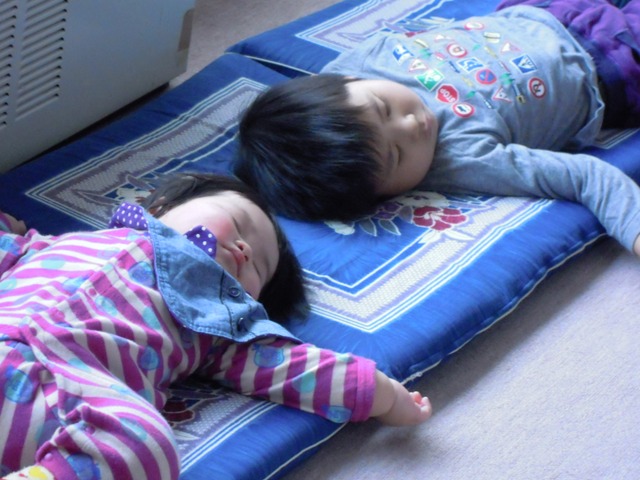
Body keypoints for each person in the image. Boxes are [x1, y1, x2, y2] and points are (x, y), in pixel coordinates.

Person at [0, 173, 432, 480]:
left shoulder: (216, 322)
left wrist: (384, 395)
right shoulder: (60, 242)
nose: (245, 249)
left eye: (259, 267)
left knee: (145, 444)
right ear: (162, 208)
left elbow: (291, 367)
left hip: (56, 397)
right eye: (239, 224)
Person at [235, 0, 640, 256]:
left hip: (539, 9)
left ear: (348, 80)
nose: (412, 123)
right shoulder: (462, 160)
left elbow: (311, 104)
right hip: (616, 62)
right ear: (387, 194)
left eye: (385, 109)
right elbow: (584, 176)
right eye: (397, 155)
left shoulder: (355, 70)